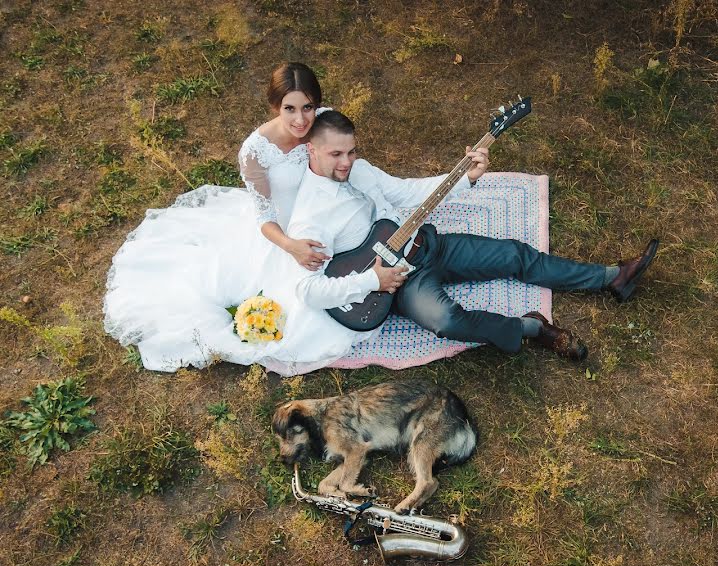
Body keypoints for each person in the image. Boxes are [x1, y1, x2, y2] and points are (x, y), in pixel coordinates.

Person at [289, 110, 659, 361]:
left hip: (429, 245)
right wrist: (373, 278)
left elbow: (406, 193)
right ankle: (532, 327)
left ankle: (613, 277)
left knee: (513, 255)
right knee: (447, 321)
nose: (347, 162)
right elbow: (308, 290)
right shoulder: (311, 217)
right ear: (311, 149)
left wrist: (466, 176)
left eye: (352, 152)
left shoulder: (360, 169)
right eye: (336, 154)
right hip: (399, 283)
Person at [104, 63, 376, 373]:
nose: (300, 119)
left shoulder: (322, 124)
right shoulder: (255, 151)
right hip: (285, 235)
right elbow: (264, 217)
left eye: (307, 107)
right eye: (289, 108)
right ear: (275, 106)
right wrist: (292, 246)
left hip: (326, 213)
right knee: (307, 319)